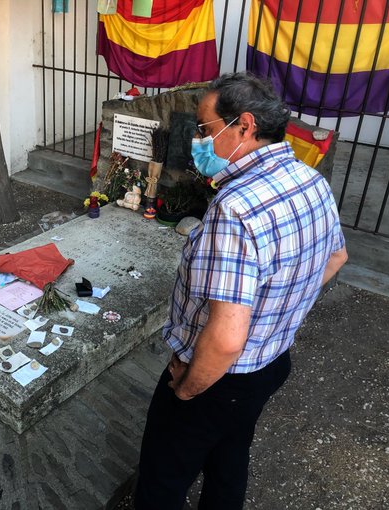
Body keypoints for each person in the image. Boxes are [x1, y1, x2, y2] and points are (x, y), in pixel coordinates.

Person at [134, 72, 348, 509]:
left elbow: (228, 338)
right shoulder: (310, 179)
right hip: (271, 361)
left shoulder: (236, 208)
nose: (199, 141)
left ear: (245, 127)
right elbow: (335, 259)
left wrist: (188, 390)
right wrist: (277, 310)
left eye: (207, 129)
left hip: (217, 377)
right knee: (229, 459)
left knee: (160, 481)